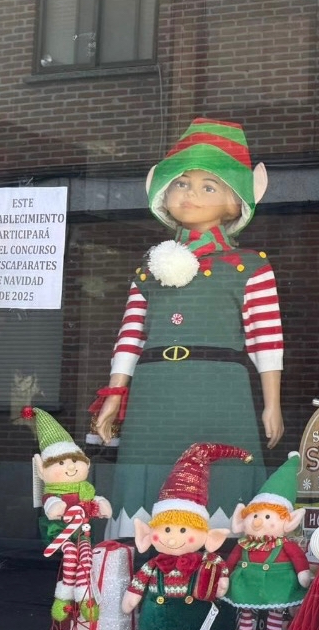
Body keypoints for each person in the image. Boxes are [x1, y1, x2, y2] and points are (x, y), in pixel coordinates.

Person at [92, 119, 282, 537]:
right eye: (181, 183)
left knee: (223, 479)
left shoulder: (249, 266)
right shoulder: (148, 269)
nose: (191, 194)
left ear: (237, 200)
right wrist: (112, 398)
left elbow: (265, 339)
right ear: (160, 191)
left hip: (220, 388)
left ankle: (220, 575)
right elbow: (129, 336)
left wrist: (273, 403)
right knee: (147, 482)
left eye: (208, 186)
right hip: (153, 392)